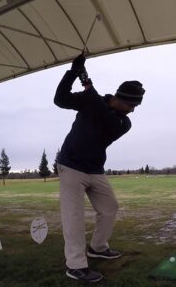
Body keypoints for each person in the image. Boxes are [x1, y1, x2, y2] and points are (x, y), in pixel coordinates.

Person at [54, 53, 145, 283]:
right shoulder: (90, 100)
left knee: (109, 207)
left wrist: (88, 86)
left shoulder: (123, 123)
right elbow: (60, 99)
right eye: (131, 104)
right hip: (71, 165)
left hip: (95, 169)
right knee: (73, 216)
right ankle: (75, 266)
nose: (133, 110)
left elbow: (106, 118)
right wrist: (74, 73)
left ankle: (97, 247)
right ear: (120, 98)